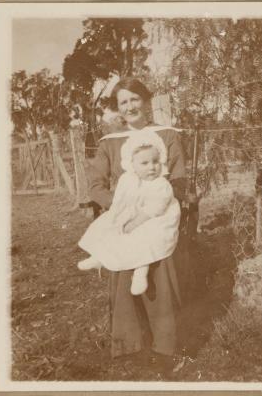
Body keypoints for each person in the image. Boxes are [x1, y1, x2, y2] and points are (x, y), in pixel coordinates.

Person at [86, 77, 186, 367]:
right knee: (124, 259)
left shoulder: (167, 135)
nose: (130, 107)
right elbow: (95, 186)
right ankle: (130, 343)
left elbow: (178, 180)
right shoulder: (109, 142)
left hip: (160, 212)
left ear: (146, 100)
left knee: (159, 263)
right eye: (123, 102)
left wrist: (155, 208)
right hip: (125, 217)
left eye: (134, 99)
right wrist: (119, 209)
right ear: (118, 109)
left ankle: (165, 343)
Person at [78, 130, 181, 296]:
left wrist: (134, 222)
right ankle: (100, 256)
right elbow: (122, 200)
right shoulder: (130, 180)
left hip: (157, 218)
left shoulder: (161, 184)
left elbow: (155, 209)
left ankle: (141, 273)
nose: (152, 167)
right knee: (108, 225)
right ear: (132, 165)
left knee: (146, 238)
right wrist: (119, 217)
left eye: (155, 162)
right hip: (136, 213)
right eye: (145, 163)